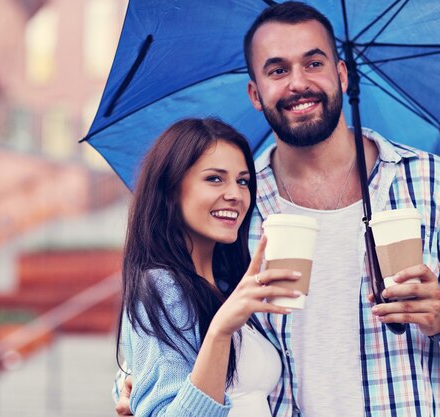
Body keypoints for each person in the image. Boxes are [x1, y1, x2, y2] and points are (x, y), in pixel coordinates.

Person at [116, 2, 440, 416]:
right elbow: (182, 313)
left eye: (313, 63)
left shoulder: (433, 183)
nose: (298, 83)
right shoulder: (237, 207)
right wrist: (133, 382)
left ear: (342, 75)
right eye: (277, 70)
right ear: (255, 93)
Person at [116, 117, 302, 417]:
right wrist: (220, 330)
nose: (235, 194)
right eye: (215, 178)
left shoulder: (227, 284)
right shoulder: (161, 286)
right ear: (171, 189)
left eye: (242, 181)